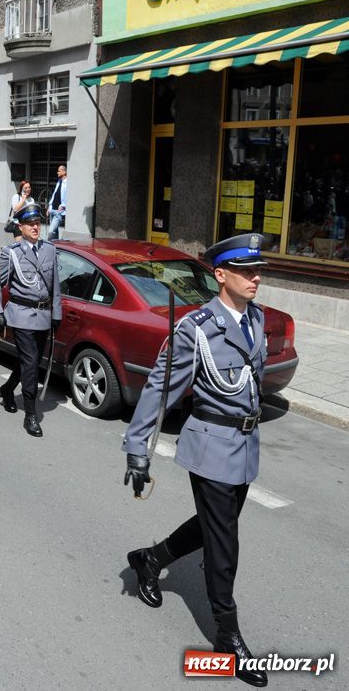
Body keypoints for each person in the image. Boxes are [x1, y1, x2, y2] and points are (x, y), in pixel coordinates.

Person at [122, 233, 271, 689]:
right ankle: (228, 637)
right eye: (246, 271)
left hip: (245, 447)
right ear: (221, 275)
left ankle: (149, 559)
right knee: (224, 548)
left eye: (257, 269)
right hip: (211, 448)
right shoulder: (196, 328)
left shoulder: (256, 318)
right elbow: (160, 389)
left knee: (213, 527)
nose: (256, 277)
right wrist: (137, 448)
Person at [0, 203, 61, 437]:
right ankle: (30, 413)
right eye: (30, 224)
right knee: (30, 364)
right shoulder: (12, 253)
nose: (35, 227)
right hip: (20, 315)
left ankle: (7, 389)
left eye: (38, 223)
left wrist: (56, 314)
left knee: (30, 361)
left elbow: (55, 286)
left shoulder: (49, 250)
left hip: (43, 316)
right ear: (21, 227)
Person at [47, 165, 67, 241]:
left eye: (59, 171)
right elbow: (54, 194)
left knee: (51, 232)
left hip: (58, 212)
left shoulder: (68, 182)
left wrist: (63, 205)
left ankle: (48, 246)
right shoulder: (59, 181)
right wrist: (49, 206)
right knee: (55, 232)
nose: (57, 172)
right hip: (52, 210)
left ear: (64, 172)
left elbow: (69, 196)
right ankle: (57, 247)